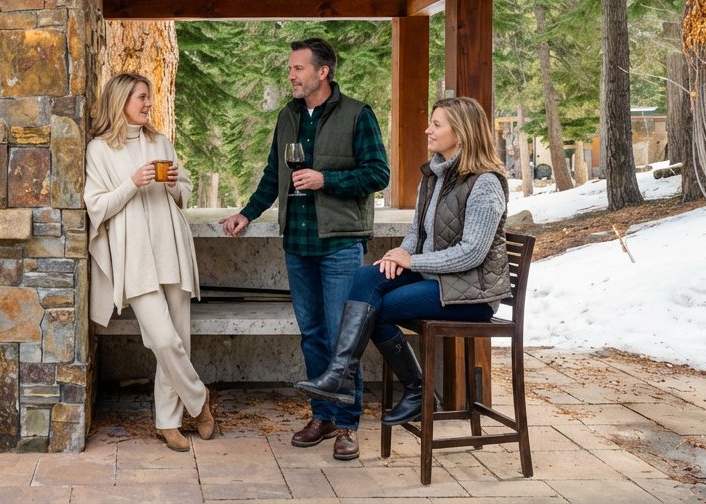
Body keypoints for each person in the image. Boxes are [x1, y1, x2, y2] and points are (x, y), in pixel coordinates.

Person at [218, 39, 389, 461]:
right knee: (312, 336)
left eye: (297, 69)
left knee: (340, 339)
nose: (291, 76)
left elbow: (377, 174)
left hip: (340, 245)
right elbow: (272, 174)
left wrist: (325, 179)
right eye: (290, 69)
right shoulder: (288, 116)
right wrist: (248, 213)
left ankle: (348, 426)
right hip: (297, 243)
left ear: (322, 71)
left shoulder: (358, 114)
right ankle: (323, 416)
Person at [294, 96, 511, 428]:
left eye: (436, 125)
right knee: (368, 278)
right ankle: (342, 374)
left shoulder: (486, 183)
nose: (428, 130)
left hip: (471, 294)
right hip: (439, 281)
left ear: (462, 132)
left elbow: (472, 253)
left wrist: (413, 260)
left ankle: (414, 387)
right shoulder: (434, 176)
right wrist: (396, 257)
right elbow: (416, 232)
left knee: (376, 307)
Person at [86, 72, 216, 451]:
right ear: (121, 100)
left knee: (178, 340)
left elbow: (184, 192)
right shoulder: (99, 150)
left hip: (171, 244)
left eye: (149, 97)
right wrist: (132, 182)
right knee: (162, 339)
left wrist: (175, 182)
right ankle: (200, 400)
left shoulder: (160, 141)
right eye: (142, 97)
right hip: (134, 254)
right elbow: (96, 206)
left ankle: (168, 422)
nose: (148, 104)